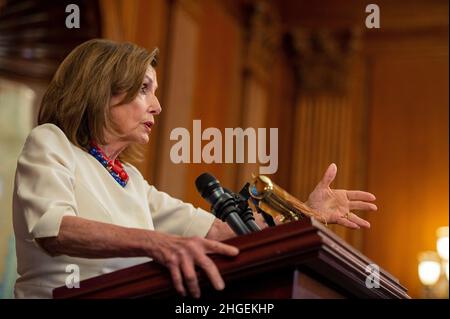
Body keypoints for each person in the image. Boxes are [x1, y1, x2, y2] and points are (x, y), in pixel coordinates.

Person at [12, 39, 377, 299]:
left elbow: (226, 232)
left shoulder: (132, 182)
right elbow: (53, 230)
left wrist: (306, 213)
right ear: (99, 90)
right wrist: (160, 244)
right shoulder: (51, 142)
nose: (157, 106)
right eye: (143, 89)